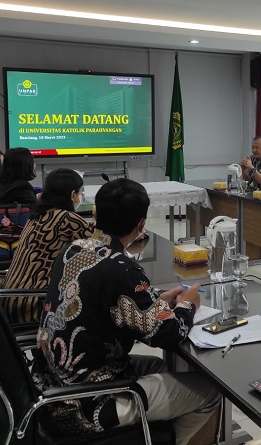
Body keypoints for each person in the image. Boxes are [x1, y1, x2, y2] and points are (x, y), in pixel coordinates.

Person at [33, 178, 221, 444]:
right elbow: (166, 335)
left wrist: (155, 300)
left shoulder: (72, 248)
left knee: (158, 366)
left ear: (96, 214)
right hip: (87, 404)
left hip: (52, 385)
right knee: (210, 391)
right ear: (141, 225)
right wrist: (189, 304)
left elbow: (110, 303)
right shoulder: (122, 268)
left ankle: (147, 430)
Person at [0, 168, 93, 323]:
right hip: (33, 304)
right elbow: (102, 246)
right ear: (72, 195)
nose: (80, 198)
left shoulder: (37, 215)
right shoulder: (67, 218)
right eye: (80, 193)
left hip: (10, 297)